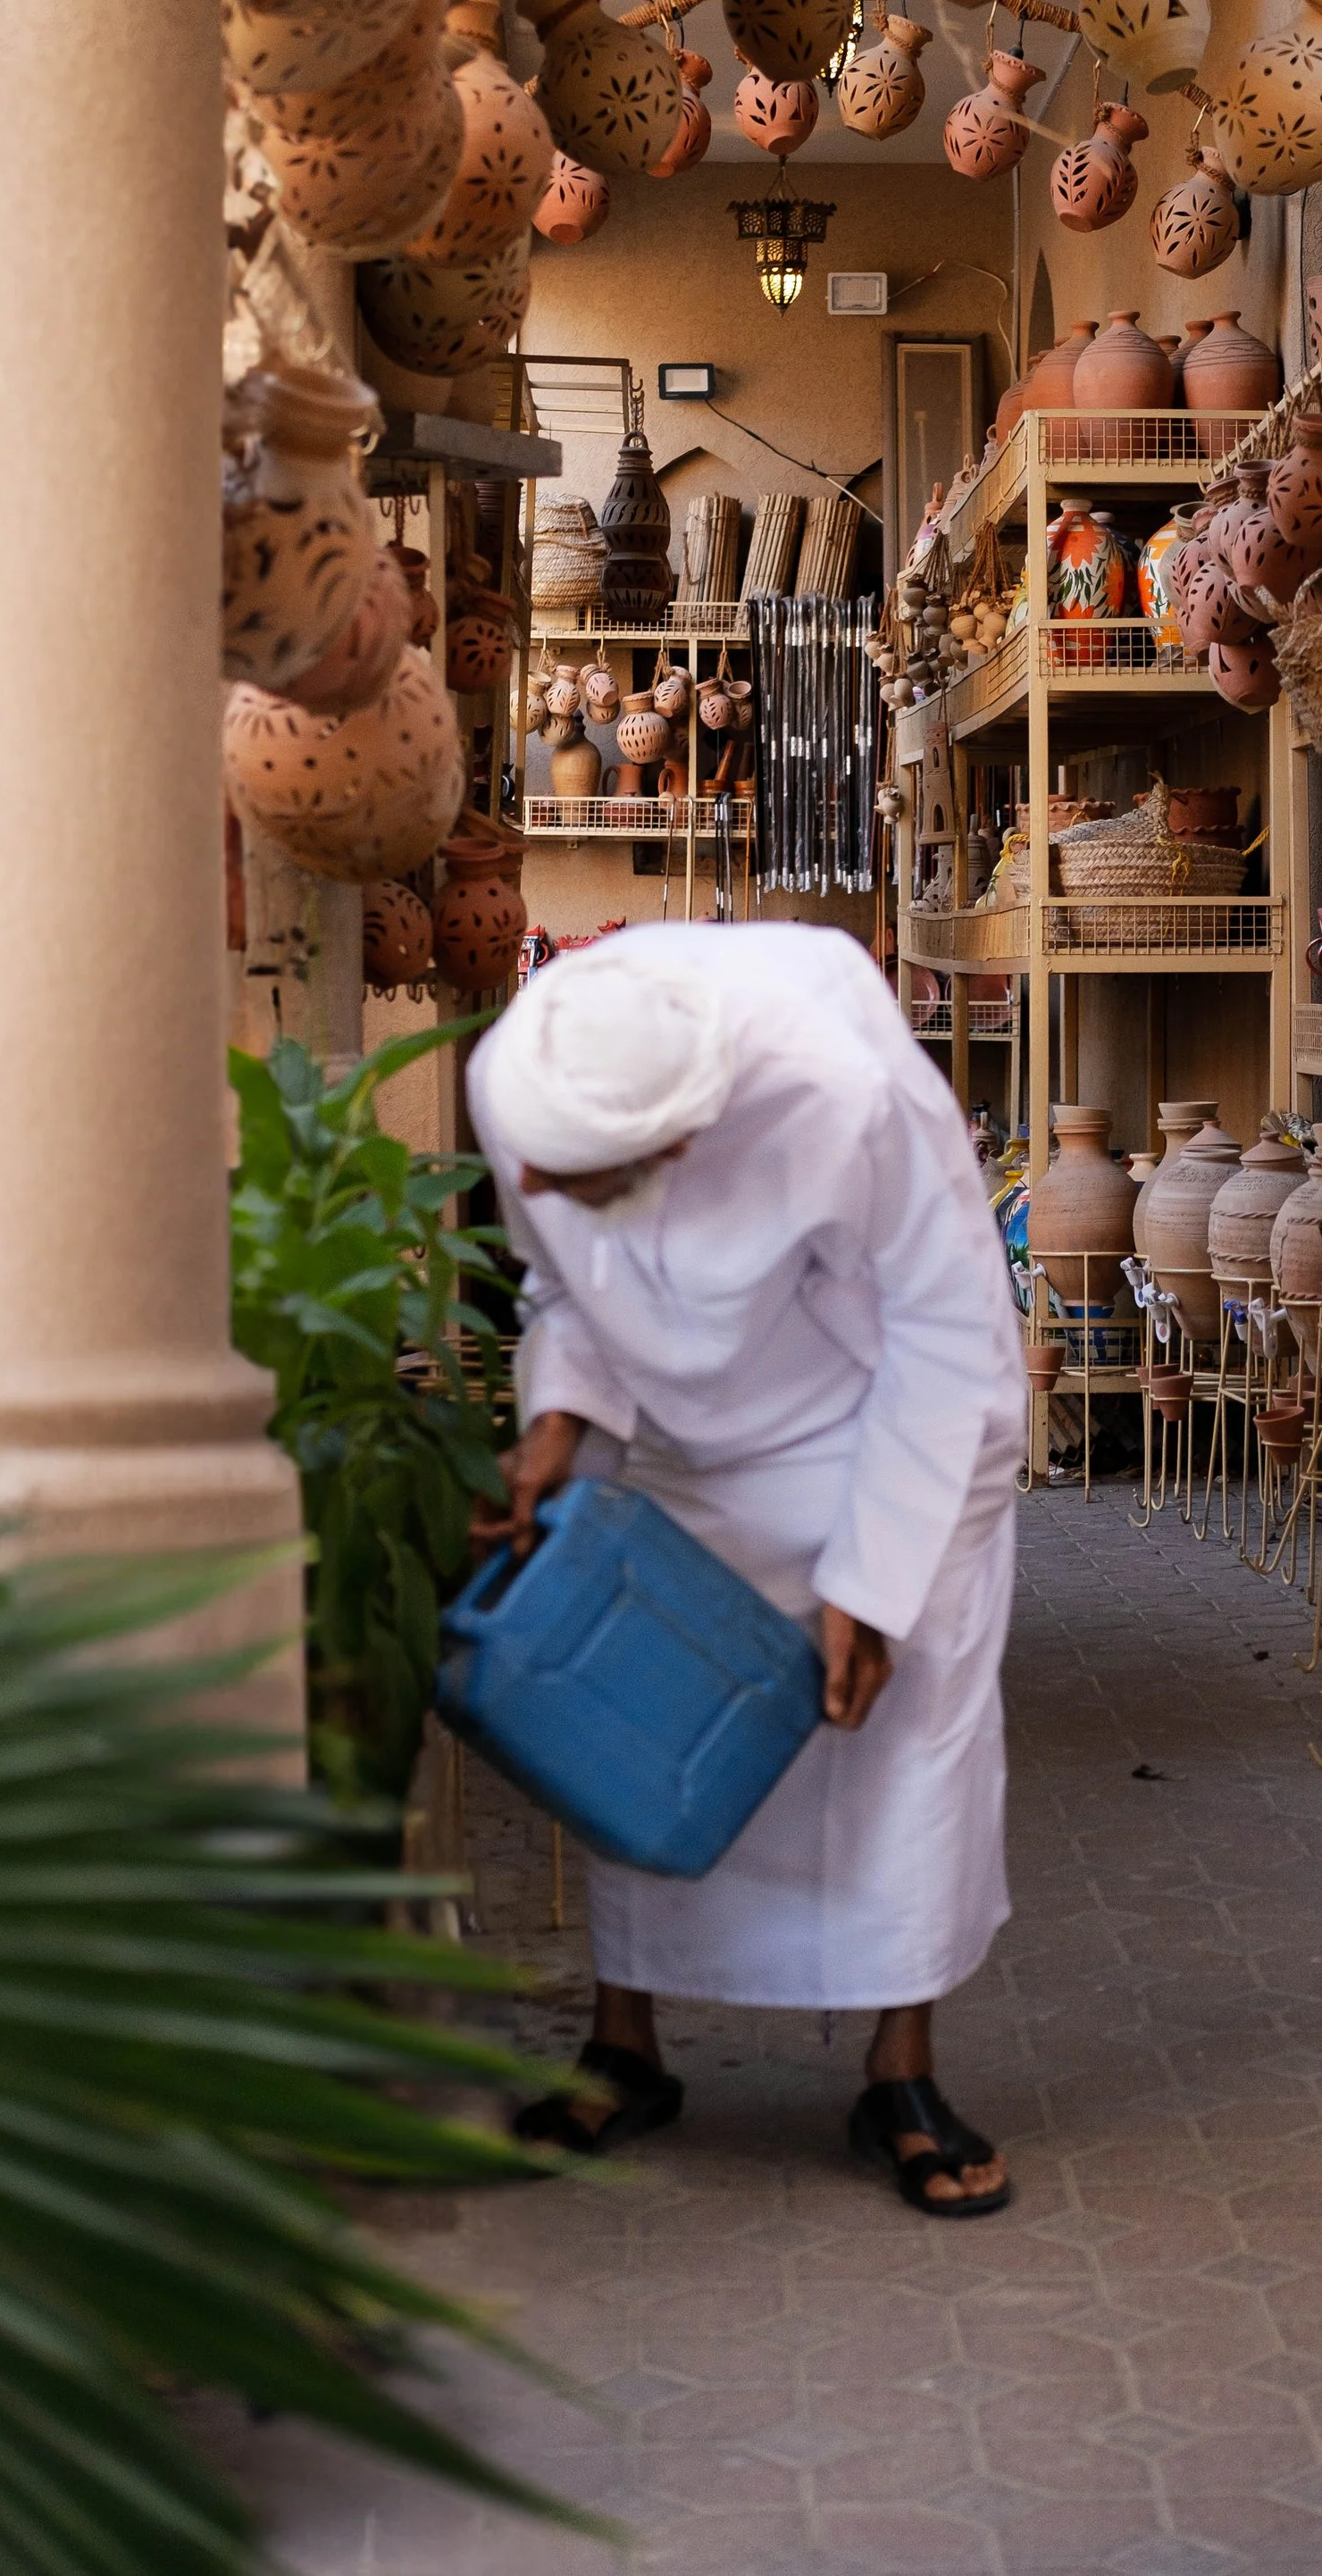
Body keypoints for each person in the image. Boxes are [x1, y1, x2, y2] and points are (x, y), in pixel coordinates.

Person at [465, 920, 1027, 2217]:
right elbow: (561, 1295)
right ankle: (625, 2045)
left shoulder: (844, 1092)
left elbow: (944, 1341)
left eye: (584, 1179)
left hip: (871, 1410)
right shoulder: (519, 1080)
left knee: (897, 1732)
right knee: (629, 1713)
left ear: (678, 1143)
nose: (539, 1192)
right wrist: (553, 1429)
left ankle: (901, 2071)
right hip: (668, 1431)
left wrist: (872, 1584)